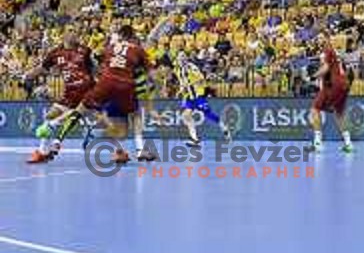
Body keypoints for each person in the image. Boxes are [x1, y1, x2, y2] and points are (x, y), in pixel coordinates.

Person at [54, 25, 154, 164]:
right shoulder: (138, 49)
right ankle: (139, 150)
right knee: (135, 115)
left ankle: (57, 140)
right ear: (132, 37)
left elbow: (99, 60)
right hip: (125, 85)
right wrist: (152, 83)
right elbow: (151, 73)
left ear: (119, 36)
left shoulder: (110, 47)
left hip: (105, 83)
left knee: (81, 110)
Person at [26, 31, 95, 164]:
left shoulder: (85, 50)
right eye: (70, 32)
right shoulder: (55, 53)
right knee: (49, 116)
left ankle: (119, 151)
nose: (73, 35)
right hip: (69, 92)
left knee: (107, 118)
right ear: (64, 37)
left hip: (87, 89)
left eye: (75, 33)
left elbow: (93, 68)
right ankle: (42, 152)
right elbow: (43, 67)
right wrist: (30, 75)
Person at [171, 51, 231, 147]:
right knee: (186, 115)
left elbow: (201, 78)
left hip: (198, 95)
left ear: (186, 58)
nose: (182, 58)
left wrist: (189, 84)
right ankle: (195, 139)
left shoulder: (191, 67)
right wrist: (181, 90)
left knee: (207, 114)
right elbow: (182, 82)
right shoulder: (177, 70)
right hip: (189, 97)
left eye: (183, 56)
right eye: (180, 56)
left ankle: (223, 126)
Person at [308, 35, 353, 153]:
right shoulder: (335, 53)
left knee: (315, 109)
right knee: (339, 114)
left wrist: (312, 77)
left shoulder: (327, 50)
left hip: (333, 84)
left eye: (321, 38)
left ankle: (317, 143)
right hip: (344, 84)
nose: (318, 40)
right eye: (317, 38)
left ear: (326, 39)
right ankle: (348, 144)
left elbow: (326, 68)